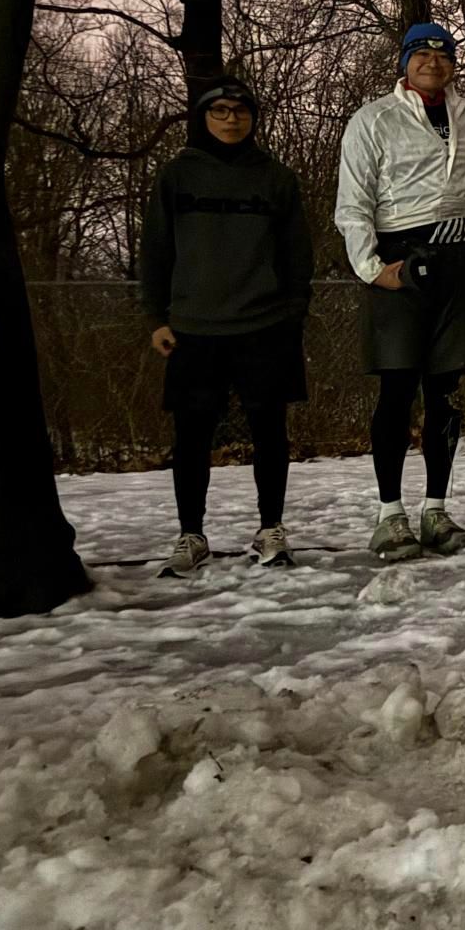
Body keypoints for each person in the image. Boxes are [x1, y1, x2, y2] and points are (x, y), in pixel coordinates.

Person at [141, 77, 313, 577]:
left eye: (240, 111)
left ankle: (271, 530)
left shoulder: (277, 178)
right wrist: (156, 318)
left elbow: (297, 254)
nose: (231, 119)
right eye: (220, 111)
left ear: (253, 118)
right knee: (192, 436)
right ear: (203, 117)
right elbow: (155, 250)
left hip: (265, 324)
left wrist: (293, 313)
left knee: (270, 432)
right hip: (193, 327)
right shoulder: (176, 176)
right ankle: (191, 535)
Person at [335, 21, 465, 562]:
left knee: (446, 390)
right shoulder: (373, 118)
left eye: (443, 55)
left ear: (453, 64)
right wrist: (373, 268)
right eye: (421, 53)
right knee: (397, 387)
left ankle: (436, 510)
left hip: (457, 256)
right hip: (399, 254)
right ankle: (389, 513)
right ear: (403, 62)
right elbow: (353, 202)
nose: (432, 62)